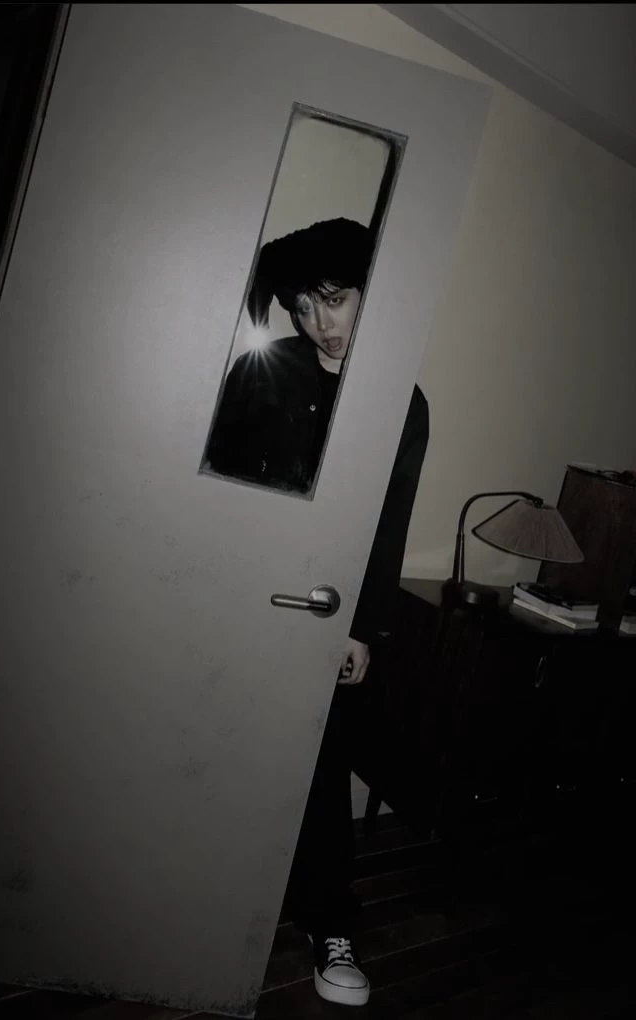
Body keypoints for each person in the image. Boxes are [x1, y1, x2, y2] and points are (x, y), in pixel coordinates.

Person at [206, 218, 428, 1006]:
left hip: (327, 611)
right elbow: (221, 488)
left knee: (326, 752)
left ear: (371, 293)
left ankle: (331, 922)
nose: (318, 323)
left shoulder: (403, 400)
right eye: (302, 306)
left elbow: (389, 522)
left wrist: (364, 629)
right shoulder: (264, 370)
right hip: (245, 594)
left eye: (334, 300)